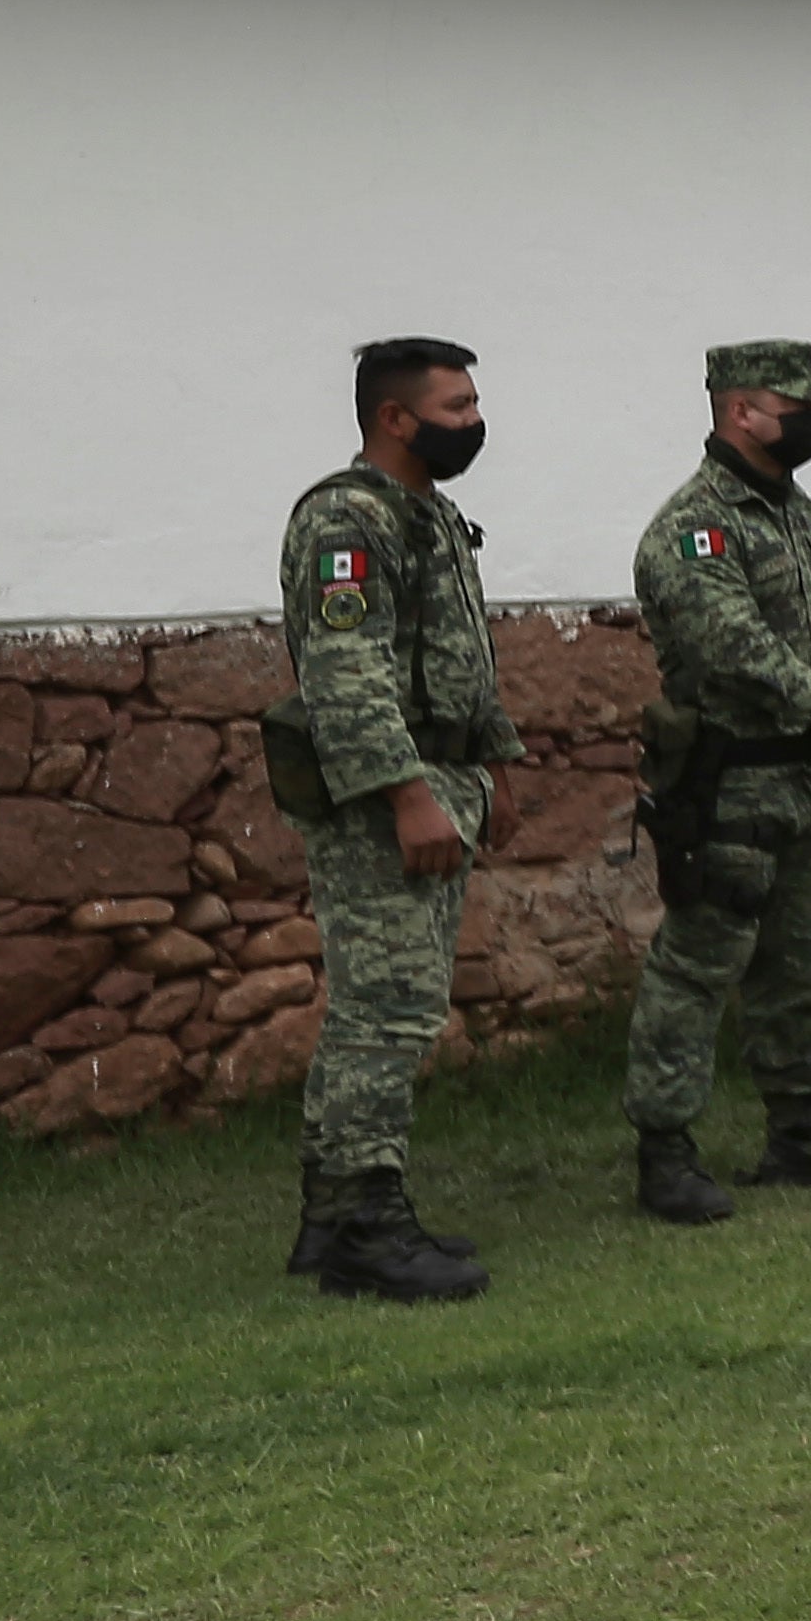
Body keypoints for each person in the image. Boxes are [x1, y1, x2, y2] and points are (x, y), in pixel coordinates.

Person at [623, 337, 811, 1224]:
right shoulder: (692, 527)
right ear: (742, 410)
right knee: (698, 967)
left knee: (805, 965)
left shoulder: (806, 518)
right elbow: (728, 642)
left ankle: (800, 1131)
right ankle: (665, 1151)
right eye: (798, 406)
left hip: (810, 779)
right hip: (730, 780)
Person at [275, 336, 521, 1302]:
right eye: (456, 407)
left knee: (381, 1013)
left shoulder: (431, 514)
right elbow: (346, 674)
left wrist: (499, 763)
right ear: (395, 417)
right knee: (389, 1015)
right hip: (386, 801)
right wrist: (410, 794)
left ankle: (329, 1217)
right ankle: (367, 1231)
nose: (474, 423)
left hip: (445, 778)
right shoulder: (346, 520)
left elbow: (457, 652)